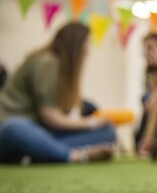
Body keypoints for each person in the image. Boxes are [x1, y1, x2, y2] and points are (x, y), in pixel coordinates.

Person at [0, 22, 115, 163]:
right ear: (75, 45)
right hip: (12, 128)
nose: (87, 50)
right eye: (86, 44)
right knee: (15, 127)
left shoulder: (60, 68)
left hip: (41, 132)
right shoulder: (46, 62)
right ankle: (75, 156)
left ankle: (38, 153)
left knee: (107, 132)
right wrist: (91, 123)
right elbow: (50, 117)